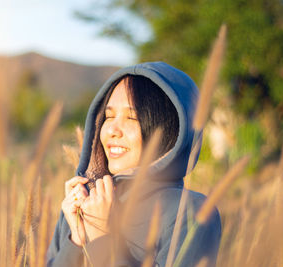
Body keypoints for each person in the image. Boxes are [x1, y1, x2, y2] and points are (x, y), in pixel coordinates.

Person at [47, 62, 221, 267]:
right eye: (109, 116)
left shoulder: (190, 212)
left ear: (168, 130)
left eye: (132, 117)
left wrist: (101, 236)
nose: (112, 129)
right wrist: (76, 239)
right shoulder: (81, 202)